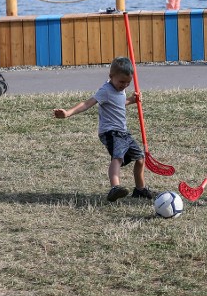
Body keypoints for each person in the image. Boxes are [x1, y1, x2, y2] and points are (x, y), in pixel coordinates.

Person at [53, 57, 156, 202]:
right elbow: (87, 103)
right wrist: (68, 113)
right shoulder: (105, 90)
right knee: (118, 158)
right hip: (111, 132)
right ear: (111, 77)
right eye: (121, 82)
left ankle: (140, 189)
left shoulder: (121, 89)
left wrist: (131, 101)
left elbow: (118, 103)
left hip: (123, 132)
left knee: (140, 159)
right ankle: (115, 187)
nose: (124, 85)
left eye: (128, 83)